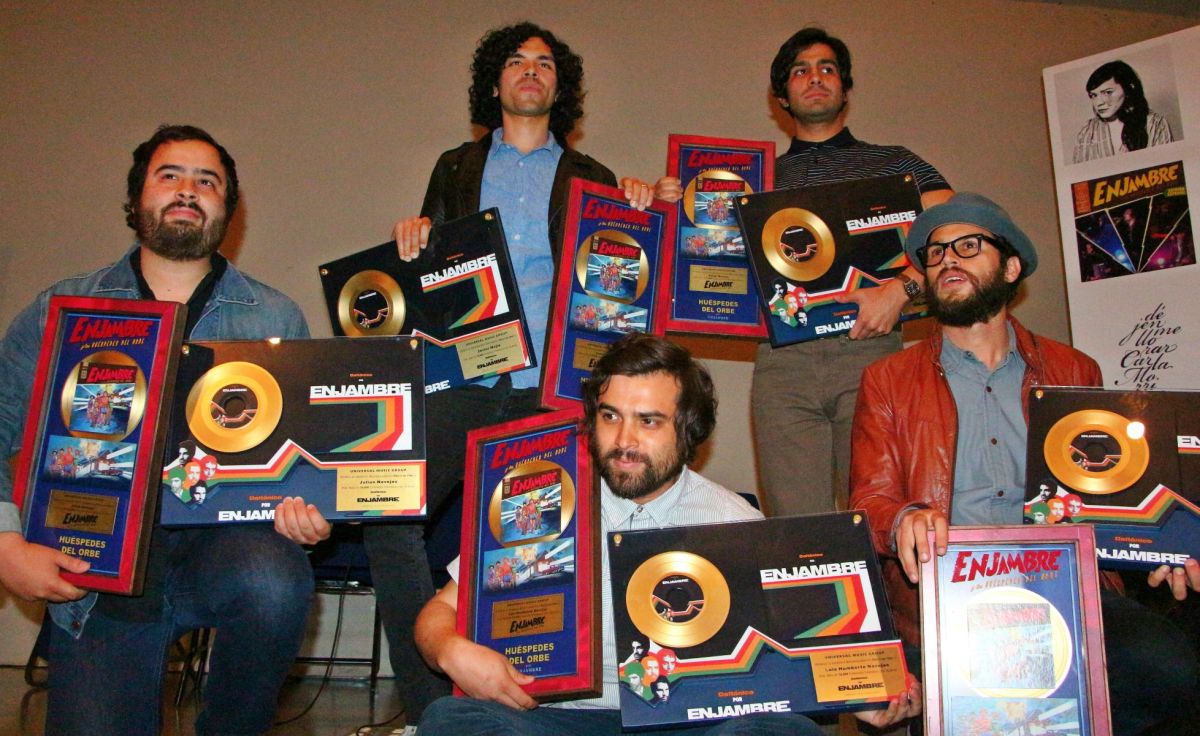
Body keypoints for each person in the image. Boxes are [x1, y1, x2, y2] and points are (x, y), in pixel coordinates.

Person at [366, 21, 664, 726]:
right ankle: (429, 709)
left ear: (561, 86)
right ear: (494, 81)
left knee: (542, 540)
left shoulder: (594, 176)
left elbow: (623, 274)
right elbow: (428, 276)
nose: (531, 70)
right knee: (385, 510)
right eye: (516, 61)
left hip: (553, 389)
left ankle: (538, 701)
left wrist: (643, 205)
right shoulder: (454, 167)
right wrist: (412, 239)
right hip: (466, 382)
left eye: (545, 63)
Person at [412, 333, 920, 735]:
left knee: (783, 730)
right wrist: (451, 650)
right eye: (610, 416)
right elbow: (439, 613)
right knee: (450, 721)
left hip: (689, 724)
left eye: (649, 422)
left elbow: (799, 657)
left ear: (688, 429)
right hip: (558, 718)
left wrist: (863, 694)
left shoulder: (736, 524)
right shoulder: (541, 499)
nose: (624, 440)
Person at [0, 125, 331, 735]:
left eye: (208, 182)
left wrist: (308, 509)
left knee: (274, 580)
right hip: (96, 573)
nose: (188, 190)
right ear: (137, 198)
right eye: (170, 175)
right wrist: (4, 543)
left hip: (228, 551)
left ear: (228, 209)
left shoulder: (275, 316)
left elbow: (300, 459)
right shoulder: (62, 308)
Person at [849, 192, 1199, 734]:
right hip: (947, 599)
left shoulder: (1073, 369)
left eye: (968, 246)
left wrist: (1162, 544)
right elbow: (868, 500)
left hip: (1066, 587)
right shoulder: (887, 380)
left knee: (1175, 674)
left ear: (1011, 268)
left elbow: (1111, 492)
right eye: (936, 253)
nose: (947, 260)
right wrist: (903, 519)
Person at [1071, 60, 1173, 164]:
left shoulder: (1155, 124)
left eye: (1108, 92)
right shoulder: (1088, 131)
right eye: (1094, 95)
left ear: (1128, 89)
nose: (1099, 102)